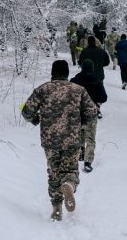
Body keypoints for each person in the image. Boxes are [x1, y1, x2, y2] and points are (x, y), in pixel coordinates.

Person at [22, 60, 98, 221]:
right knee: (70, 169)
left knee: (53, 172)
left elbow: (26, 111)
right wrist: (80, 123)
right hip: (72, 139)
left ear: (52, 72)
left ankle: (56, 208)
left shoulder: (42, 89)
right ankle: (69, 185)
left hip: (50, 140)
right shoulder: (79, 90)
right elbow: (92, 113)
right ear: (67, 73)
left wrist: (36, 119)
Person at [70, 59, 108, 173]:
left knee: (80, 134)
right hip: (91, 112)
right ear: (92, 68)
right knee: (90, 138)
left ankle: (80, 154)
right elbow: (104, 98)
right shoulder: (97, 81)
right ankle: (88, 161)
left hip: (77, 112)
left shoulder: (74, 80)